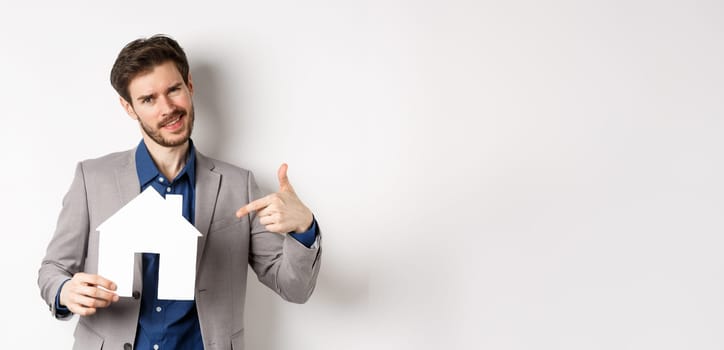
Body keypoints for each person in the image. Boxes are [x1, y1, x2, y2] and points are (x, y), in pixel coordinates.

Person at [37, 35, 322, 350]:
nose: (168, 109)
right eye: (148, 99)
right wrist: (64, 291)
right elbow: (53, 269)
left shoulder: (237, 184)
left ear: (189, 85)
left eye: (173, 90)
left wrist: (303, 228)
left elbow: (294, 288)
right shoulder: (92, 179)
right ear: (128, 107)